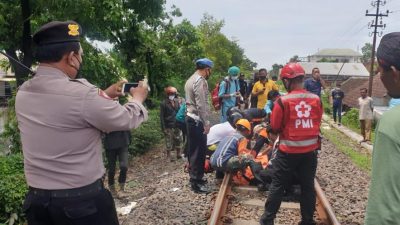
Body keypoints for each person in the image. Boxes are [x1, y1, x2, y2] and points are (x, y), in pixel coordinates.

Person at [15, 21, 149, 225]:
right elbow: (125, 119)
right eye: (81, 55)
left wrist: (104, 94)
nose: (81, 59)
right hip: (81, 207)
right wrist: (138, 99)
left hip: (38, 205)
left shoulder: (23, 92)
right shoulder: (83, 94)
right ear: (71, 57)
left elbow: (65, 112)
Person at [260, 63, 322, 225]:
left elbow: (275, 127)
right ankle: (307, 220)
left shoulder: (283, 101)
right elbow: (317, 122)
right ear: (302, 78)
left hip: (288, 152)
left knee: (278, 185)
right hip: (310, 153)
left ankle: (267, 220)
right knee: (308, 186)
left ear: (288, 81)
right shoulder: (316, 99)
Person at [365, 32, 400, 225]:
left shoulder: (392, 123)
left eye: (379, 70)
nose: (379, 76)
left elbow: (384, 211)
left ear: (393, 72)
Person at [184, 58, 213, 194]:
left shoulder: (190, 79)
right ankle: (195, 182)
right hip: (197, 120)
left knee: (194, 150)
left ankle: (198, 177)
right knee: (198, 152)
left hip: (191, 118)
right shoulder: (200, 81)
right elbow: (202, 104)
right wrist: (206, 122)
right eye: (209, 70)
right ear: (207, 69)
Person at [104, 130, 131, 196]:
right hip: (110, 144)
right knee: (112, 169)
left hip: (123, 142)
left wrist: (129, 138)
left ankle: (122, 188)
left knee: (124, 167)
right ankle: (112, 188)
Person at [160, 86, 183, 161]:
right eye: (170, 94)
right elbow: (161, 117)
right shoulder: (163, 103)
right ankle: (168, 156)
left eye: (173, 93)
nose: (172, 95)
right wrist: (164, 128)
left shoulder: (177, 101)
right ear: (167, 94)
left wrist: (181, 122)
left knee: (178, 139)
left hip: (177, 123)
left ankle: (178, 154)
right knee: (168, 140)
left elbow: (180, 112)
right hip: (168, 125)